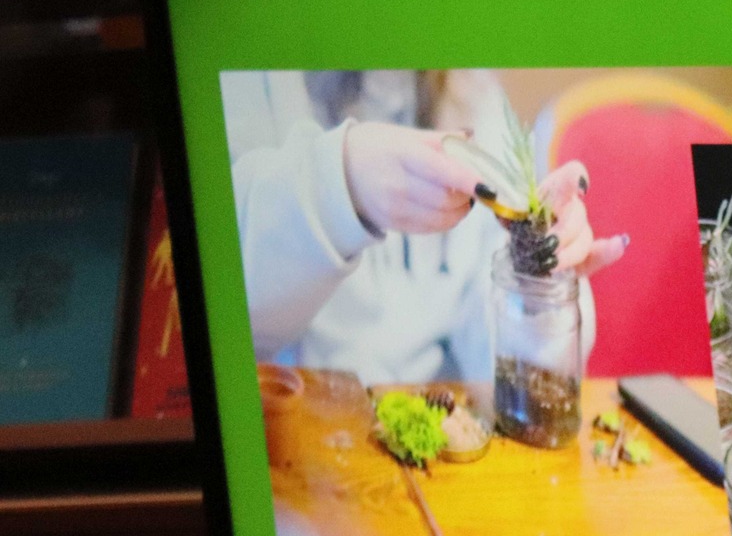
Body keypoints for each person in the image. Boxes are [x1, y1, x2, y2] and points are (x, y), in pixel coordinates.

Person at [226, 69, 625, 388]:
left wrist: (536, 289)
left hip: (438, 419)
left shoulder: (474, 95)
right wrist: (338, 184)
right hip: (295, 413)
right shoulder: (249, 83)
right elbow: (230, 313)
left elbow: (497, 356)